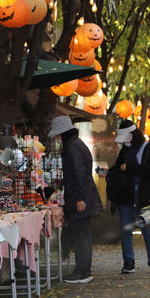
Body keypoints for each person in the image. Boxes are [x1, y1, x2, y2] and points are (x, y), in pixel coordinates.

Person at [48, 116, 103, 284]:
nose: (57, 139)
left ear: (63, 133)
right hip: (85, 195)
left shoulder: (72, 147)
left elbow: (78, 174)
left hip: (81, 197)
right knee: (83, 235)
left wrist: (79, 198)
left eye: (58, 135)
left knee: (80, 235)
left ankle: (81, 271)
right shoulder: (77, 144)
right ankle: (84, 269)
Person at [112, 119, 150, 274]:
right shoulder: (124, 151)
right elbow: (117, 167)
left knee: (147, 229)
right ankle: (128, 262)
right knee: (126, 230)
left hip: (144, 196)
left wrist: (130, 168)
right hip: (126, 196)